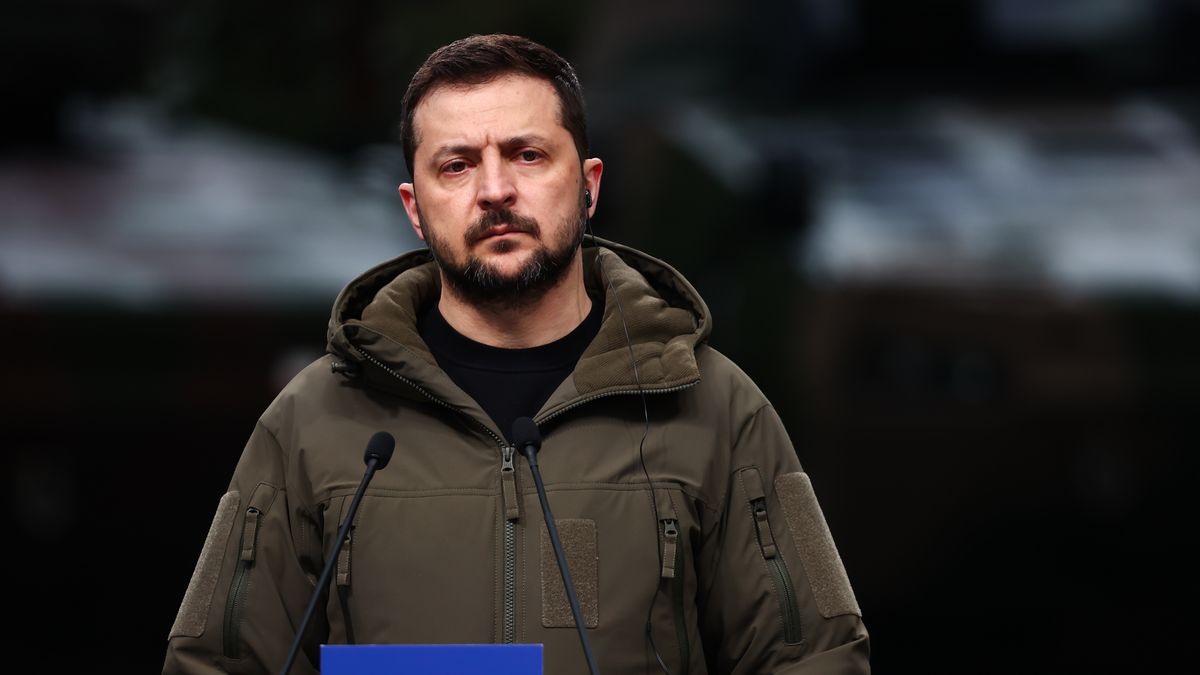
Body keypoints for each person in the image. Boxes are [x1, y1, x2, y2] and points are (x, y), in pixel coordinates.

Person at [162, 33, 870, 675]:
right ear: (414, 207)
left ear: (588, 185)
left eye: (527, 155)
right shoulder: (315, 417)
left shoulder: (715, 404)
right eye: (457, 165)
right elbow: (217, 661)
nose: (495, 190)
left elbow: (816, 654)